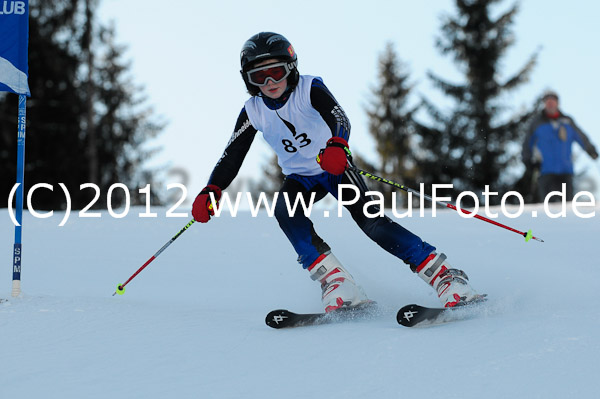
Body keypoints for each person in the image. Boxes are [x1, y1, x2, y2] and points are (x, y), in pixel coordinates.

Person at [191, 32, 481, 312]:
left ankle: (444, 275)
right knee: (285, 212)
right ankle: (337, 282)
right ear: (248, 80)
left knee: (372, 223)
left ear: (290, 68)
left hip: (333, 167)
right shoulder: (253, 110)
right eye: (258, 76)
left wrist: (338, 145)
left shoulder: (309, 88)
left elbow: (338, 116)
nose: (269, 82)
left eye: (276, 72)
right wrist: (212, 189)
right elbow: (232, 155)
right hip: (300, 179)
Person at [522, 90, 598, 202]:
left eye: (552, 101)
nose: (550, 104)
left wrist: (590, 150)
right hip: (546, 171)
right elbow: (527, 143)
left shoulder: (567, 122)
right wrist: (527, 160)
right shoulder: (537, 123)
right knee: (548, 208)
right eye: (547, 102)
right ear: (544, 104)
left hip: (565, 171)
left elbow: (581, 137)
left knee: (567, 207)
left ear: (557, 103)